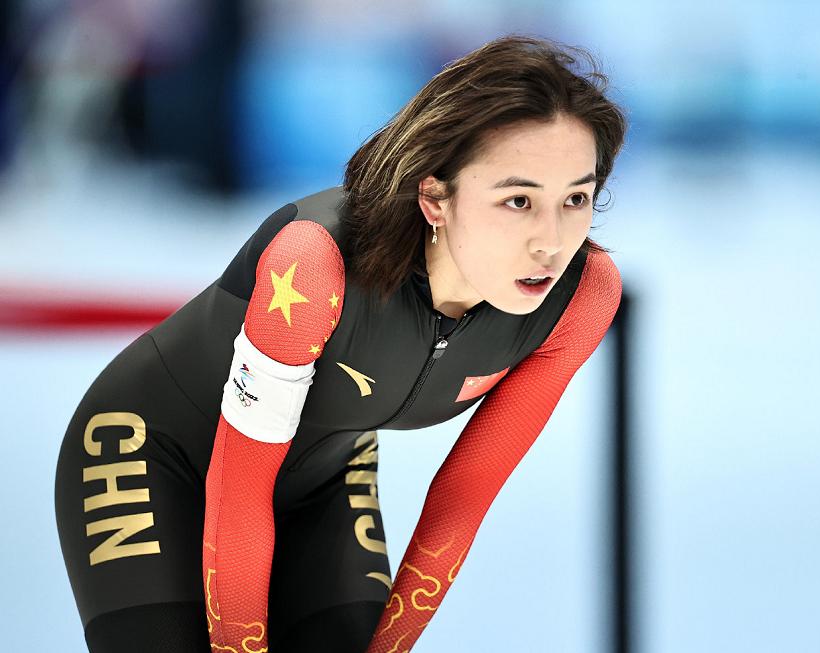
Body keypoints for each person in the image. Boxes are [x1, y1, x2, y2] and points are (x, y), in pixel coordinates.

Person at [54, 34, 627, 652]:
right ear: (435, 198)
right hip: (149, 455)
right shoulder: (314, 265)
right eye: (518, 200)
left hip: (322, 478)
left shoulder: (580, 296)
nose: (552, 241)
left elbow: (464, 498)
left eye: (576, 198)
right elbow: (239, 488)